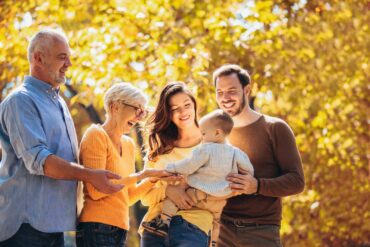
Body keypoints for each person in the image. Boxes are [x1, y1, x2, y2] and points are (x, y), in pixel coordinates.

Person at [0, 29, 123, 246]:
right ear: (38, 58)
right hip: (25, 226)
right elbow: (41, 161)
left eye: (69, 57)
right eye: (61, 57)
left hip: (53, 226)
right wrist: (91, 175)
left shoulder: (58, 103)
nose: (69, 64)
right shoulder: (21, 101)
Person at [76, 82, 178, 247]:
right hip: (95, 226)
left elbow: (128, 196)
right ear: (114, 106)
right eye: (137, 109)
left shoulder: (129, 145)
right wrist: (142, 175)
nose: (140, 117)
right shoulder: (96, 135)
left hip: (120, 229)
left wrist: (152, 179)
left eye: (143, 112)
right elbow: (96, 191)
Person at [213, 64, 305, 247]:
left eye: (232, 91)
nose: (225, 98)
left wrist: (257, 185)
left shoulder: (275, 128)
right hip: (221, 231)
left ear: (246, 90)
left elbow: (297, 181)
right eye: (220, 92)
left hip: (261, 232)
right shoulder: (214, 133)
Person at [142, 109, 254, 247]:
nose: (202, 137)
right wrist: (241, 180)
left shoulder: (205, 149)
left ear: (217, 133)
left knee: (175, 198)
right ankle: (213, 242)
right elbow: (249, 170)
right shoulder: (236, 152)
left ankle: (163, 222)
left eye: (204, 133)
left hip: (199, 193)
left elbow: (189, 166)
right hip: (221, 198)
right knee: (217, 221)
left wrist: (171, 168)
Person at [139, 82, 213, 247]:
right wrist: (167, 190)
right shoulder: (160, 149)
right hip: (154, 228)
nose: (183, 112)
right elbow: (145, 198)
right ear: (168, 113)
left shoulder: (213, 143)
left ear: (194, 105)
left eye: (187, 105)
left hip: (194, 228)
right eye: (175, 109)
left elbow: (224, 191)